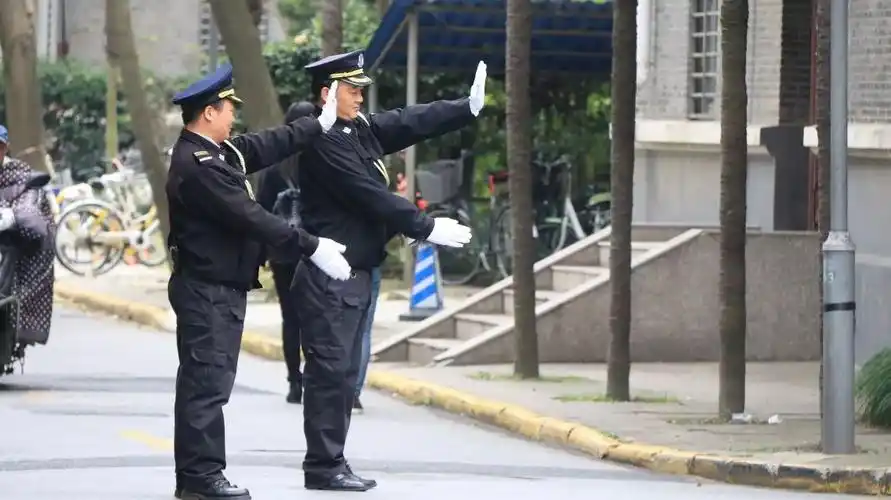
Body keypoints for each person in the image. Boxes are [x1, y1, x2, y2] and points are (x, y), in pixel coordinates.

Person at [294, 50, 486, 491]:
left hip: (357, 272)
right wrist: (425, 226)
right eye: (352, 89)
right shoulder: (324, 142)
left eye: (362, 89)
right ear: (327, 94)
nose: (361, 97)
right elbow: (368, 195)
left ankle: (331, 461)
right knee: (330, 372)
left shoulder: (355, 129)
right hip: (331, 276)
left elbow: (405, 121)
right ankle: (323, 466)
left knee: (343, 374)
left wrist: (463, 108)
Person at [166, 63, 351, 500]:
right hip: (207, 289)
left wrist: (316, 125)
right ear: (209, 113)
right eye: (228, 109)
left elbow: (267, 144)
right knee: (206, 385)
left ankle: (198, 476)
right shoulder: (198, 165)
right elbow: (252, 217)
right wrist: (311, 245)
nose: (234, 117)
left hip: (218, 288)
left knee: (209, 383)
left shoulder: (218, 152)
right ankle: (200, 478)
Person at [255, 100, 317, 404]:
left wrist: (263, 253)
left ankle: (295, 382)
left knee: (290, 318)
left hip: (283, 252)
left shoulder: (273, 165)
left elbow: (260, 212)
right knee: (317, 317)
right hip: (318, 252)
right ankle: (318, 378)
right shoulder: (323, 160)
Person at [0, 125, 56, 348]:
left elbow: (31, 216)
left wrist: (13, 216)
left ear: (6, 149)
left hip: (14, 248)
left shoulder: (22, 179)